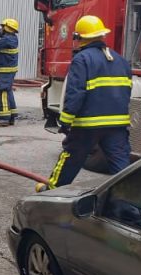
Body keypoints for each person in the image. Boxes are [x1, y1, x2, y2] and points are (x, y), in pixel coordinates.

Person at [37, 15, 132, 192]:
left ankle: (52, 191)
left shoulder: (82, 59)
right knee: (122, 166)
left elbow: (75, 93)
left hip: (87, 125)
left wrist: (65, 122)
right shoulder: (120, 60)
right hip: (117, 124)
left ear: (79, 38)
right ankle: (129, 199)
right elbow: (126, 92)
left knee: (70, 157)